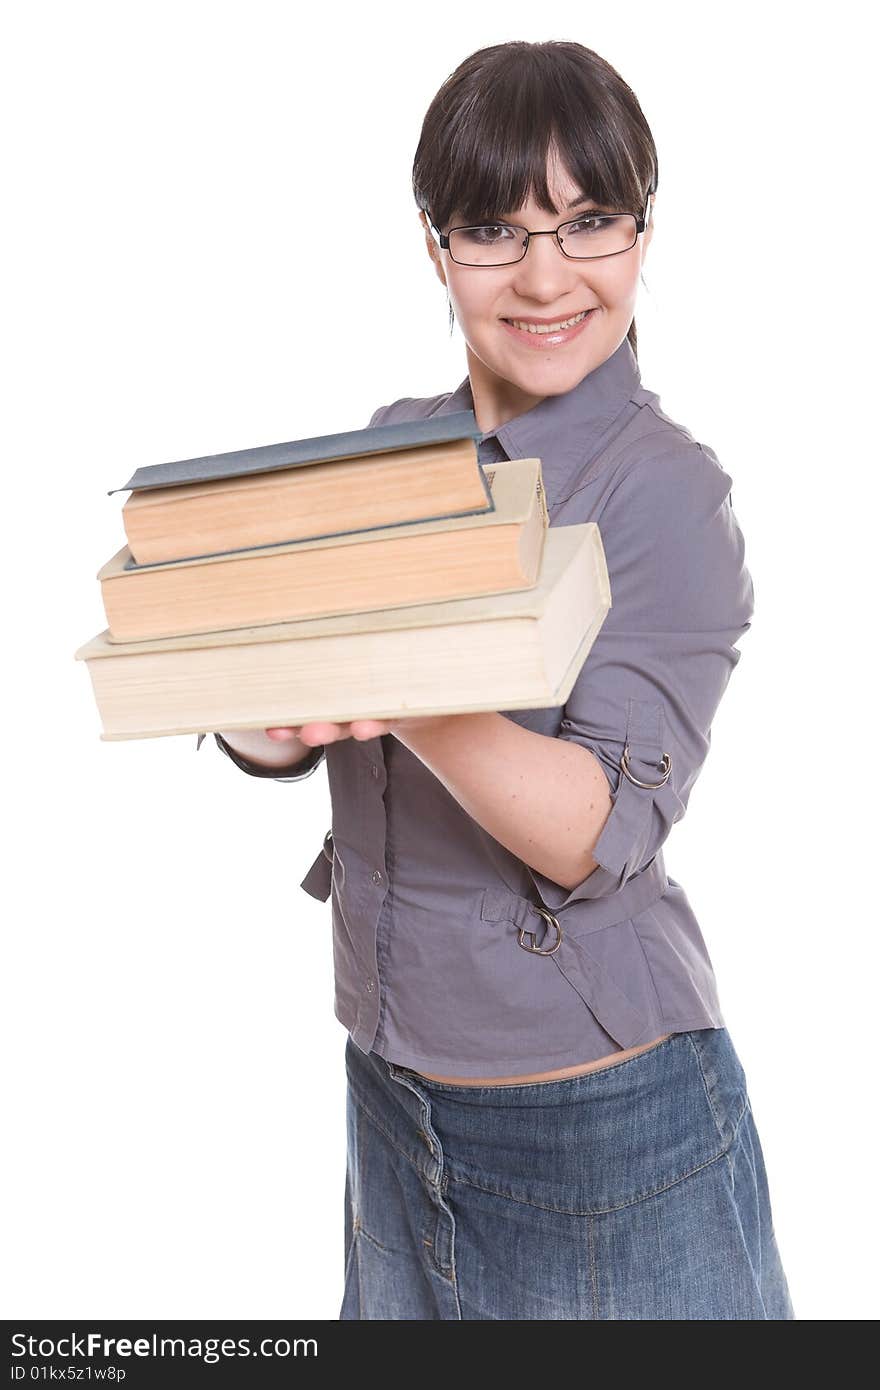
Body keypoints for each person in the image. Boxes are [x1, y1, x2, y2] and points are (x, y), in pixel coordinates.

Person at [197, 40, 795, 1319]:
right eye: (491, 229)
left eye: (588, 222)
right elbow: (287, 732)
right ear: (434, 247)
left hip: (603, 1118)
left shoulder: (667, 496)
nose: (542, 276)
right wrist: (257, 709)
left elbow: (595, 829)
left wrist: (402, 684)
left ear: (642, 234)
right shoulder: (388, 451)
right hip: (389, 1082)